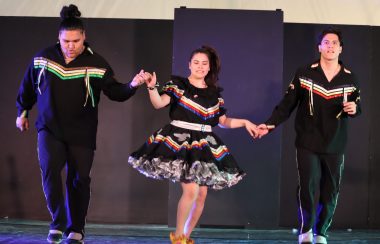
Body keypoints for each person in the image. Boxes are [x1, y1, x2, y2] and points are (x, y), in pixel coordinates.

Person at [15, 4, 145, 244]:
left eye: (76, 40)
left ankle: (76, 229)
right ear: (59, 38)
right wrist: (22, 112)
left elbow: (116, 92)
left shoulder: (97, 63)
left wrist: (133, 85)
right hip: (49, 129)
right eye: (66, 41)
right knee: (50, 172)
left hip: (82, 133)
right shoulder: (43, 58)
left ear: (84, 37)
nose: (71, 46)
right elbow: (28, 88)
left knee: (79, 180)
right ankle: (57, 223)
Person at [128, 45, 258, 244]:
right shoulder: (178, 86)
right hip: (180, 141)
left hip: (204, 144)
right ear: (189, 65)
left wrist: (245, 123)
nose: (200, 66)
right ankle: (178, 237)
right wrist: (152, 87)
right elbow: (158, 103)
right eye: (196, 62)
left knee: (201, 195)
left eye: (204, 63)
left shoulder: (214, 94)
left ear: (209, 68)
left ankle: (186, 237)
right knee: (191, 190)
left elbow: (223, 122)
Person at [257, 27, 361, 244]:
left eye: (334, 42)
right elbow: (288, 104)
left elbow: (357, 105)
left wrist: (354, 108)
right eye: (326, 42)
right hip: (307, 141)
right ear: (319, 47)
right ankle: (306, 230)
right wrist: (270, 124)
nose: (330, 46)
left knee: (330, 191)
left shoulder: (350, 78)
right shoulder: (305, 73)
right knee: (308, 186)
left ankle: (322, 232)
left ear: (340, 48)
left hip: (335, 143)